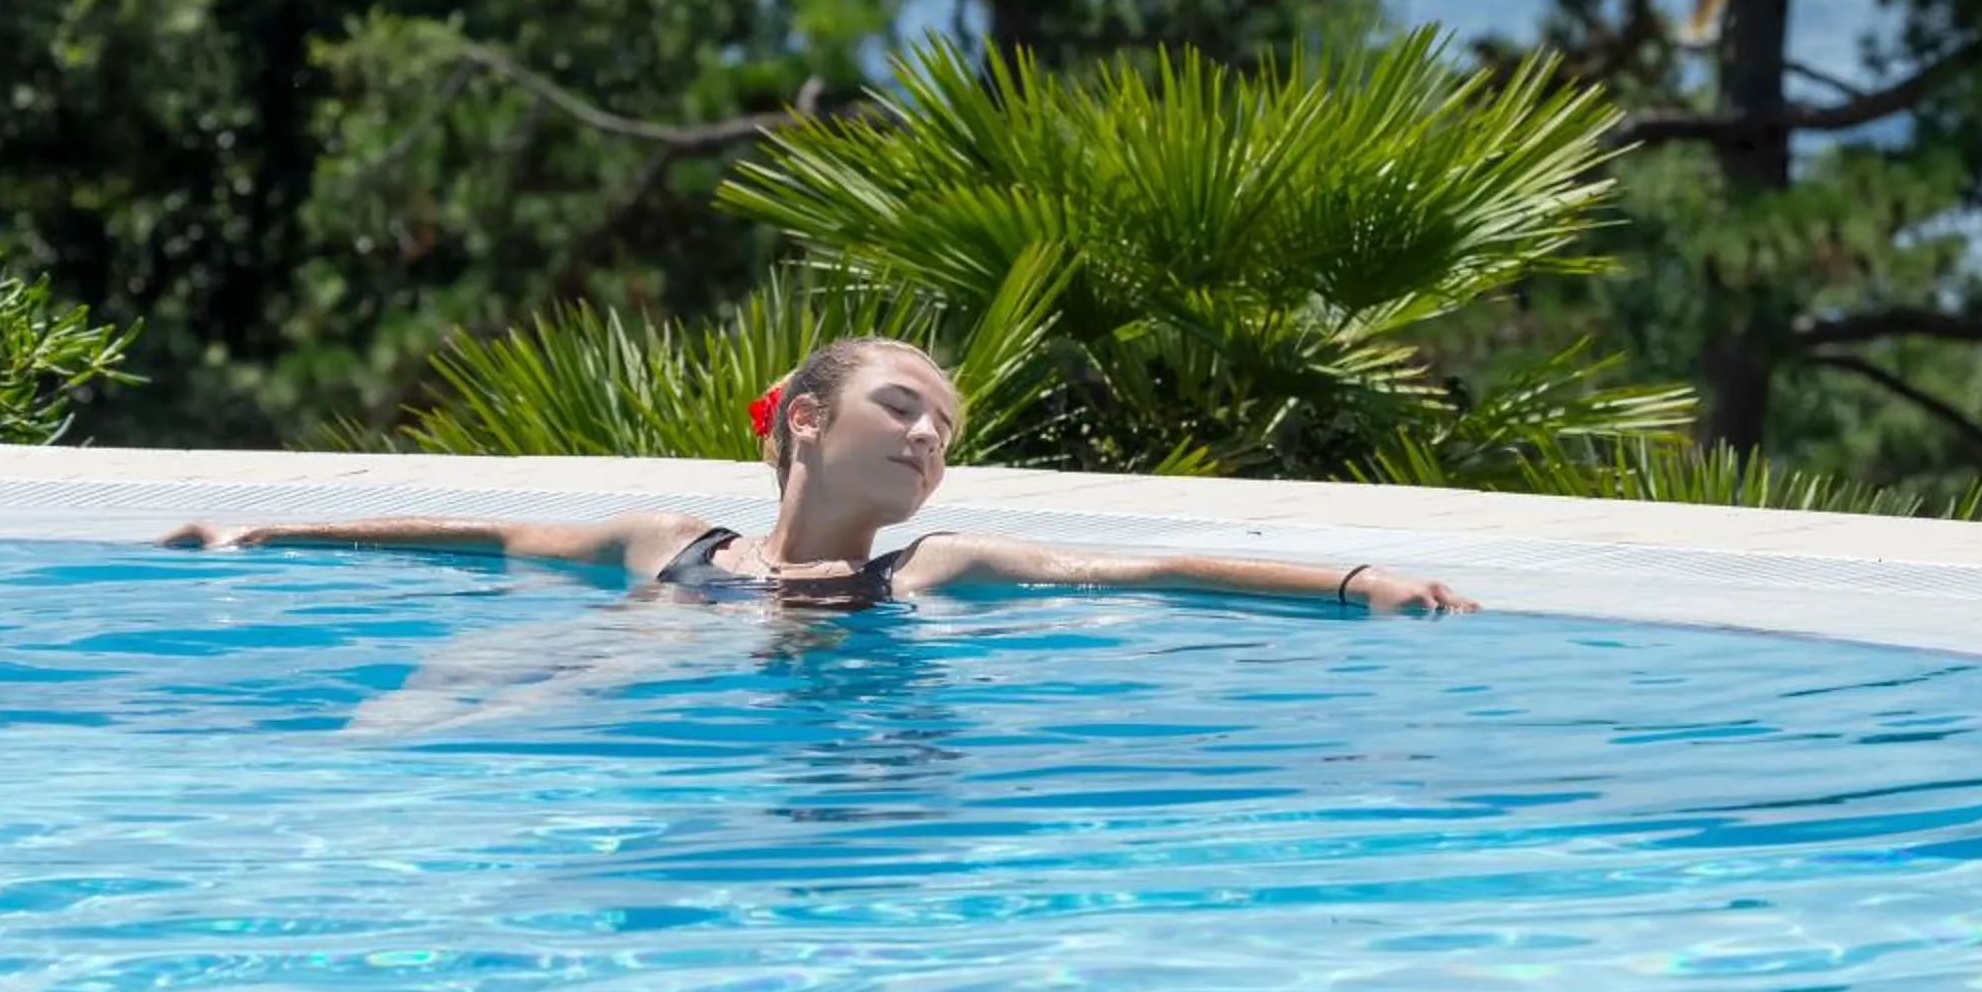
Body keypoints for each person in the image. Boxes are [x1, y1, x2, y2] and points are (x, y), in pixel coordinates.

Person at [161, 336, 1476, 615]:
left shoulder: (932, 573)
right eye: (905, 408)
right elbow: (476, 540)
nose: (928, 439)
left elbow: (1145, 569)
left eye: (947, 432)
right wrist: (264, 538)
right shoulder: (669, 540)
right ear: (798, 422)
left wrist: (1355, 582)